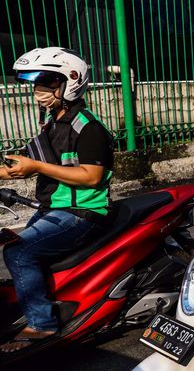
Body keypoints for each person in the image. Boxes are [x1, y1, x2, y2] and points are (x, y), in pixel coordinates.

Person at [0, 47, 114, 354]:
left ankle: (42, 324)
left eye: (47, 83)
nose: (38, 92)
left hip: (82, 212)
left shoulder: (88, 128)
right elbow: (25, 164)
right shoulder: (52, 124)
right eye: (35, 85)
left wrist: (36, 167)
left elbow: (91, 176)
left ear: (70, 81)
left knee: (18, 254)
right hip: (54, 209)